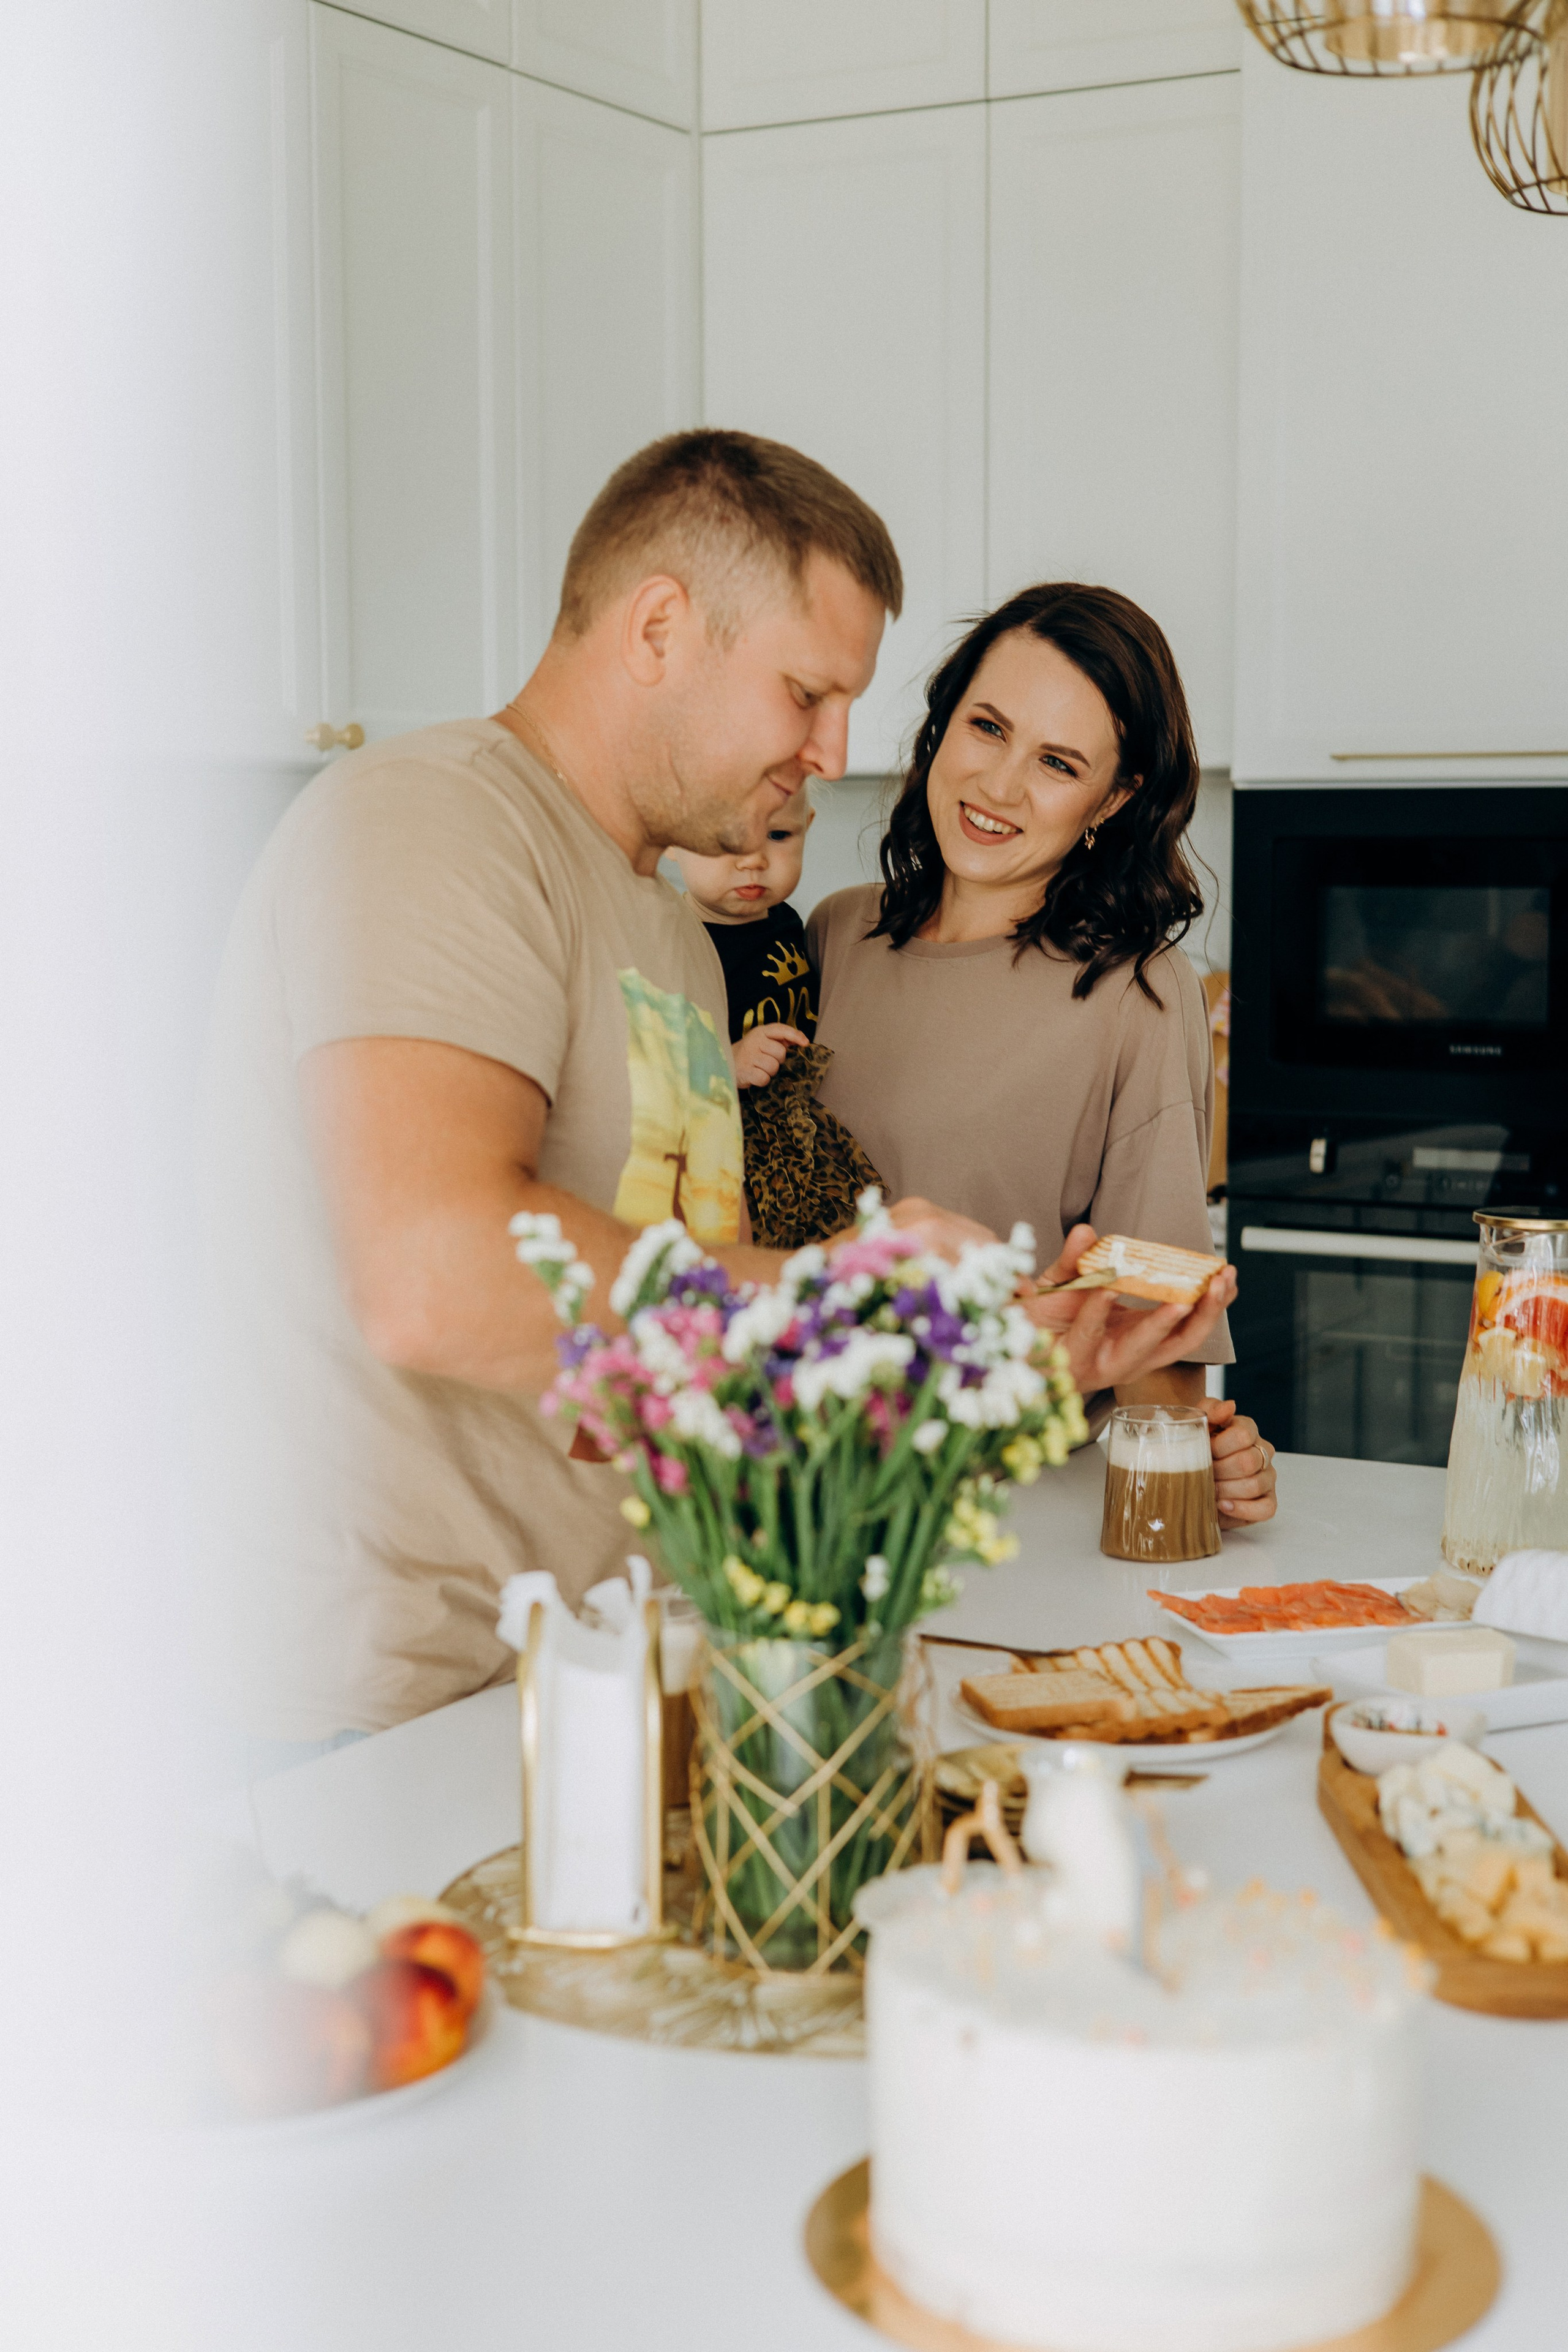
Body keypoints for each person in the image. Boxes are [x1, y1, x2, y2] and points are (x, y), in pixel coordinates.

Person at [202, 439, 1242, 1755]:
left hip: (620, 1670)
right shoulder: (432, 826)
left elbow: (703, 1342)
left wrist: (987, 1357)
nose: (835, 749)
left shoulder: (680, 942)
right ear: (658, 630)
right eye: (806, 693)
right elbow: (432, 1274)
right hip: (383, 1709)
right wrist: (860, 1297)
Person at [808, 581, 1278, 1528]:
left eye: (1058, 763)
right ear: (943, 724)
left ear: (1116, 797)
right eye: (987, 728)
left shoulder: (1139, 993)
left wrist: (1197, 1462)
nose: (1000, 786)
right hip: (798, 1494)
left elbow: (1152, 1323)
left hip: (1006, 1519)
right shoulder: (832, 936)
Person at [671, 782, 816, 1088]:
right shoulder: (672, 947)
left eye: (778, 835)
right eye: (725, 837)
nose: (753, 860)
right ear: (669, 836)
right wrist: (727, 1062)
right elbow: (642, 1065)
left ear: (806, 826)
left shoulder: (787, 919)